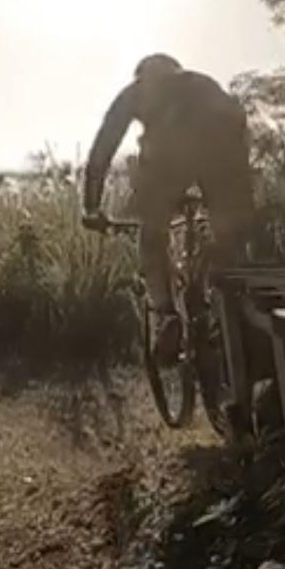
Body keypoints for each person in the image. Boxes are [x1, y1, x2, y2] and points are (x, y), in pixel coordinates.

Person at [81, 53, 255, 363]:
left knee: (152, 233)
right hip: (228, 144)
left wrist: (91, 207)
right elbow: (237, 121)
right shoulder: (202, 82)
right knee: (230, 232)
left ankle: (165, 316)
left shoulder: (135, 92)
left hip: (170, 152)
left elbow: (103, 148)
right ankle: (232, 307)